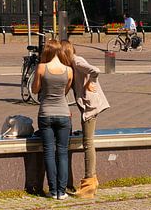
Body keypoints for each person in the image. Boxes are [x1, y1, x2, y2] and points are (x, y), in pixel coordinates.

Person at [61, 40, 109, 199]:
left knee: (88, 143)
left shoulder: (77, 61)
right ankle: (90, 182)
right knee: (87, 141)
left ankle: (90, 182)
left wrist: (91, 83)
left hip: (91, 107)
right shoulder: (73, 63)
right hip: (87, 106)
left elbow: (95, 70)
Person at [31, 39, 73, 200]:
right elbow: (65, 91)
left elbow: (35, 90)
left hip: (46, 114)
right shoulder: (69, 70)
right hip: (64, 113)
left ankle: (53, 190)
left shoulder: (41, 67)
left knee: (49, 152)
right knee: (62, 152)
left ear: (46, 51)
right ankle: (62, 192)